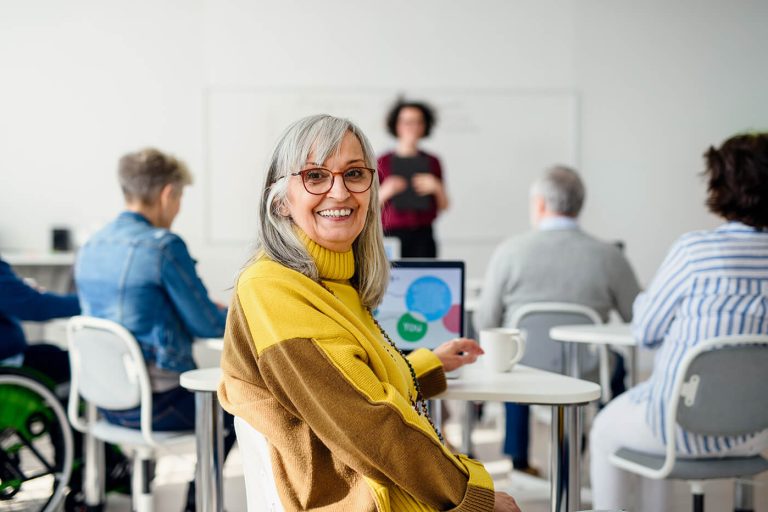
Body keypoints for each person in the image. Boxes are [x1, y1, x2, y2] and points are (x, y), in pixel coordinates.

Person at [218, 114, 520, 512]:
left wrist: (428, 365)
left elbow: (352, 383)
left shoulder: (335, 281)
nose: (340, 192)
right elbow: (369, 420)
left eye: (355, 173)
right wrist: (472, 494)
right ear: (280, 200)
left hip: (379, 485)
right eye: (315, 176)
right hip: (361, 498)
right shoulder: (272, 287)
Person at [589, 132, 768, 511]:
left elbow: (646, 332)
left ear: (721, 186)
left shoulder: (695, 252)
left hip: (680, 430)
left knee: (605, 427)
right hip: (757, 432)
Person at [75, 148, 232, 512]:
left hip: (103, 403)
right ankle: (199, 505)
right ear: (167, 193)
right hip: (157, 406)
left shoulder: (91, 245)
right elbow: (206, 323)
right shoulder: (164, 247)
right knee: (236, 405)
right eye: (179, 199)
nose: (177, 210)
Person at [475, 165, 641, 475]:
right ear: (580, 204)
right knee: (616, 365)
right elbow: (637, 317)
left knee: (511, 360)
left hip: (523, 367)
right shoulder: (609, 256)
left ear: (539, 204)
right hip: (588, 369)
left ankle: (519, 460)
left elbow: (487, 320)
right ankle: (613, 449)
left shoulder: (509, 252)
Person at [378, 100, 449, 257]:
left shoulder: (433, 161)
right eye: (407, 122)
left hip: (424, 235)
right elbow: (369, 207)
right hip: (390, 235)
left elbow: (444, 205)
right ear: (397, 125)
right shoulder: (382, 162)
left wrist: (436, 187)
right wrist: (385, 191)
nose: (412, 127)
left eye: (418, 122)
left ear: (424, 126)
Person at [0, 257, 79, 385]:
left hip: (10, 356)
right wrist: (90, 304)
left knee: (50, 350)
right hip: (8, 363)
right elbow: (35, 306)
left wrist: (18, 288)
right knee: (80, 362)